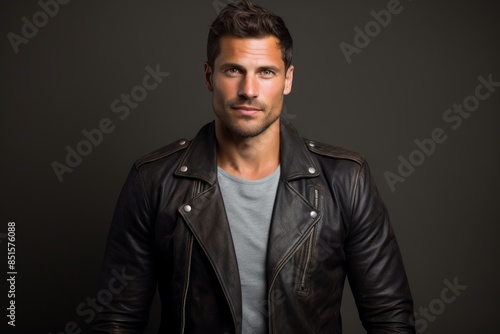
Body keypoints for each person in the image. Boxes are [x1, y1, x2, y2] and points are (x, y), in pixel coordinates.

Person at [93, 0, 415, 333]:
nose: (249, 90)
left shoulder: (347, 180)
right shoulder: (153, 181)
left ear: (287, 80)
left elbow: (390, 318)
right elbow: (117, 318)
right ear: (209, 76)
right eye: (234, 70)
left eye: (266, 72)